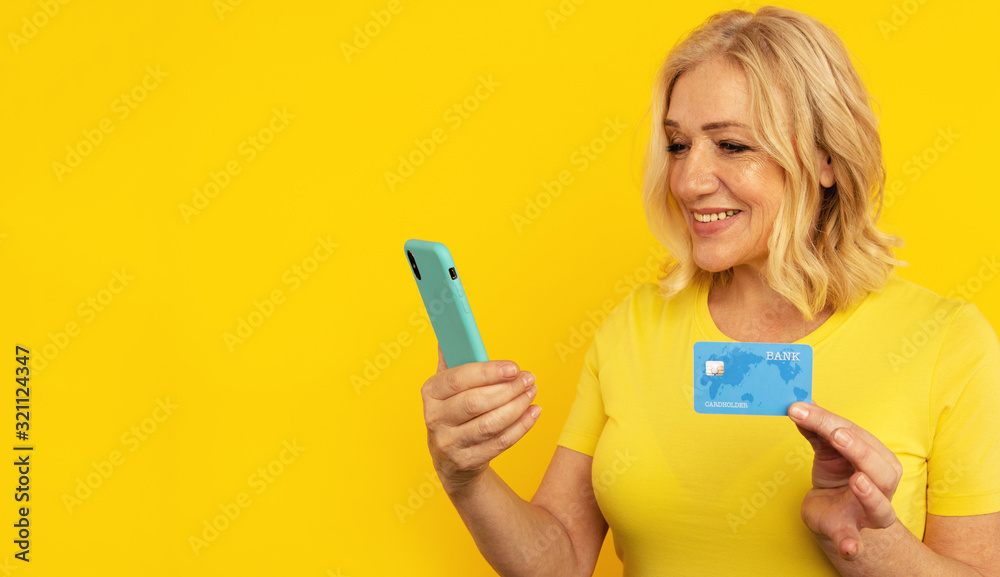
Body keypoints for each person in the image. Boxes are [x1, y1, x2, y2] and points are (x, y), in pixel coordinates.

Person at [419, 6, 1000, 576]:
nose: (689, 180)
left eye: (732, 145)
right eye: (677, 145)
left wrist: (868, 546)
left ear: (826, 158)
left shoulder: (949, 343)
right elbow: (561, 561)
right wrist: (464, 477)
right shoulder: (635, 325)